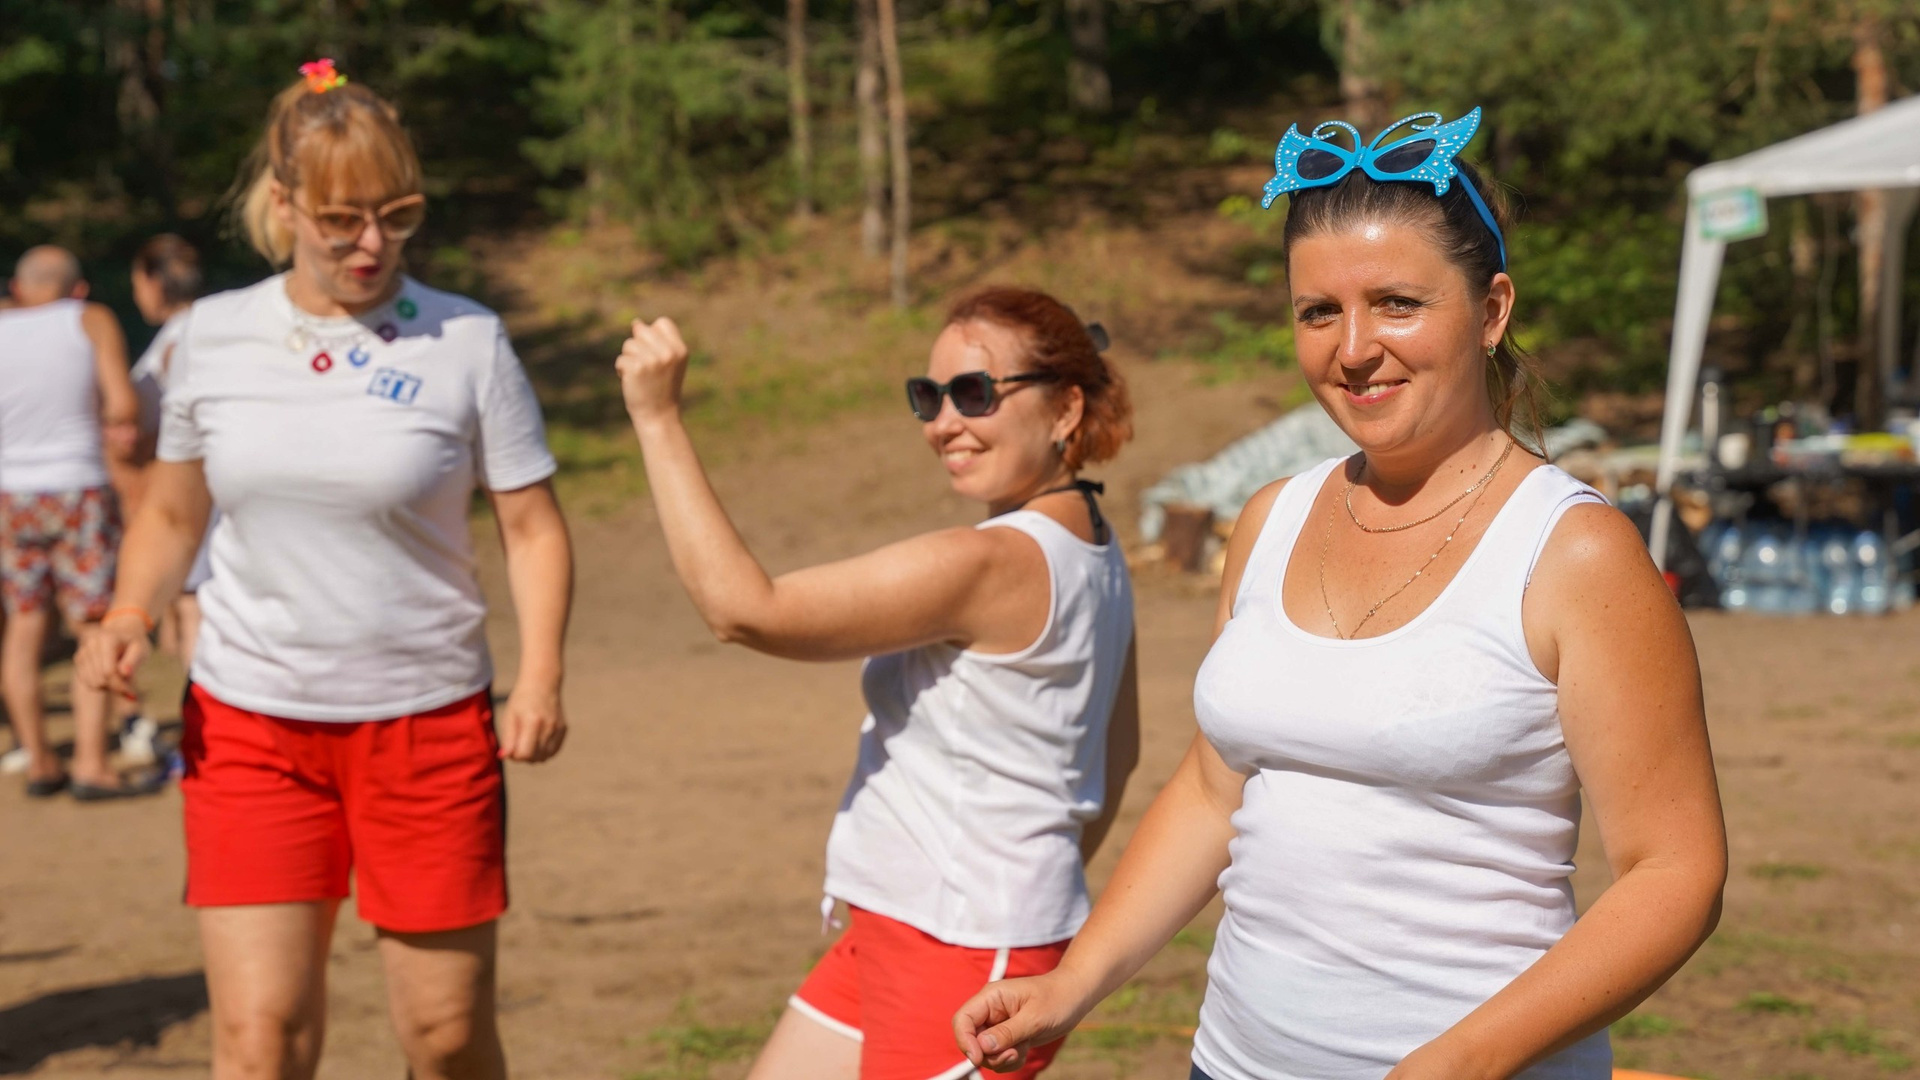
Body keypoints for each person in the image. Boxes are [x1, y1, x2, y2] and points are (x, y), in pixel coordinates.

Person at [954, 109, 1728, 1080]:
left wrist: (1462, 1060)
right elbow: (1213, 790)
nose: (1353, 348)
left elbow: (1676, 871)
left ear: (1491, 310)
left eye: (1397, 303)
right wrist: (1073, 981)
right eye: (1318, 312)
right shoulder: (1270, 520)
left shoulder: (1572, 551)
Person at [77, 59, 574, 1080]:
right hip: (251, 723)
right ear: (284, 203)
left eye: (398, 216)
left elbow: (531, 528)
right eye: (343, 220)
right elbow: (172, 510)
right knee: (261, 1039)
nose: (372, 244)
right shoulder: (210, 337)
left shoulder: (467, 339)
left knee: (444, 1035)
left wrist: (541, 676)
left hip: (427, 722)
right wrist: (130, 611)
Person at [616, 286, 1140, 1080]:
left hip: (967, 952)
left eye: (975, 392)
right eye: (929, 396)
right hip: (908, 927)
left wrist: (657, 419)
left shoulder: (990, 562)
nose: (944, 423)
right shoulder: (1096, 546)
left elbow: (746, 611)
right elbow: (1118, 755)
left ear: (1066, 407)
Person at [0, 244, 148, 798]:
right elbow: (122, 404)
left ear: (18, 288)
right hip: (77, 486)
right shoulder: (89, 319)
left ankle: (39, 759)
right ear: (78, 289)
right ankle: (92, 763)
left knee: (23, 626)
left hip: (9, 494)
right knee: (91, 625)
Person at [125, 233, 211, 675]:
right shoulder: (197, 328)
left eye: (136, 284)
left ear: (153, 280)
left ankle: (200, 699)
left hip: (189, 486)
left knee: (196, 606)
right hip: (188, 484)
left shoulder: (183, 337)